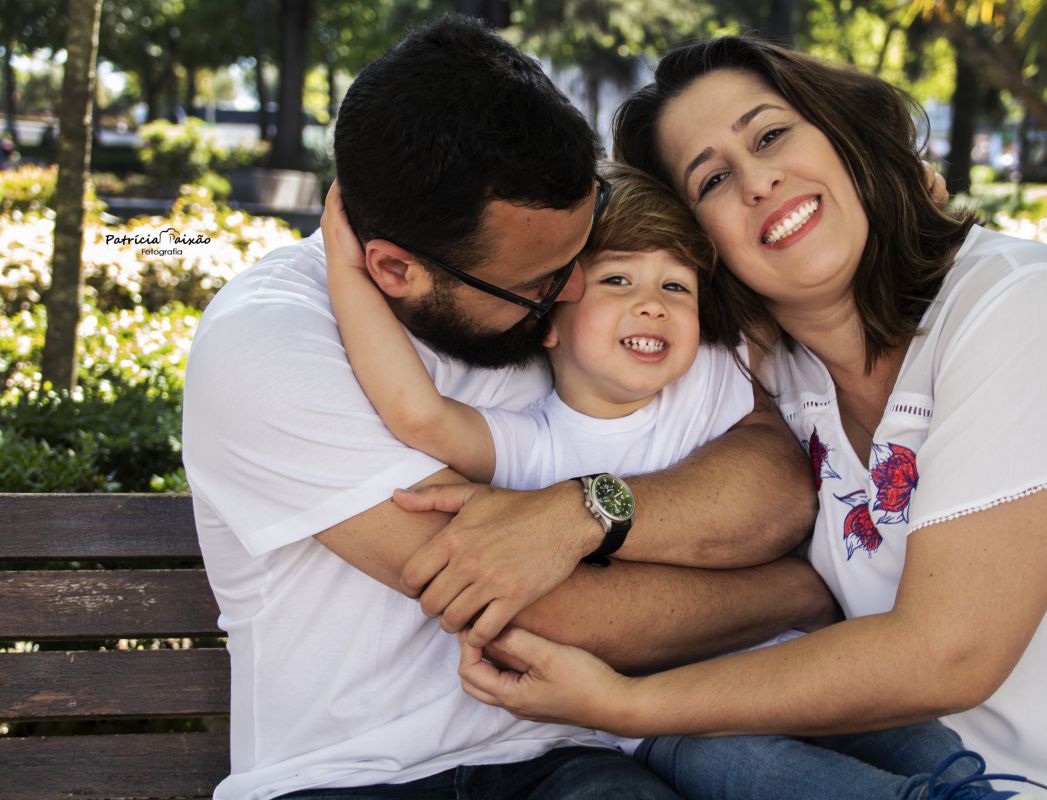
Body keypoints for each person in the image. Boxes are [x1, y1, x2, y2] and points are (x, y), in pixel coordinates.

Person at [455, 34, 1047, 800]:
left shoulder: (1032, 309)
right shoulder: (776, 373)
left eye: (771, 134)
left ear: (844, 137)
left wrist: (627, 703)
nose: (758, 180)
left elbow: (949, 653)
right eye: (712, 179)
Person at [182, 17, 835, 800]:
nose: (573, 293)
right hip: (350, 778)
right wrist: (792, 594)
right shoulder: (270, 341)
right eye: (538, 283)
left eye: (580, 256)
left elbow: (769, 480)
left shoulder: (590, 306)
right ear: (392, 268)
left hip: (568, 760)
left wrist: (580, 514)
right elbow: (544, 610)